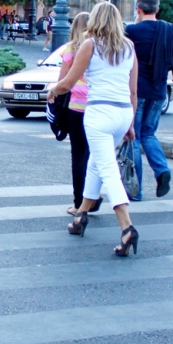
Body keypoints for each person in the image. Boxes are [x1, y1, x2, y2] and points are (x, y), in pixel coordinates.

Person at [49, 1, 139, 257]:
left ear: (95, 20)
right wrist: (131, 123)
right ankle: (81, 215)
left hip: (99, 113)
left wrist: (52, 91)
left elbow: (68, 82)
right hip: (123, 112)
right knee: (96, 164)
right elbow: (133, 90)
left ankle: (127, 227)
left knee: (107, 169)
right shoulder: (129, 46)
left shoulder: (90, 44)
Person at [125, 0, 173, 201]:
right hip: (158, 90)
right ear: (158, 9)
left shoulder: (132, 31)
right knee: (149, 134)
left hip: (137, 91)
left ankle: (135, 190)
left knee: (134, 137)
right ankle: (162, 169)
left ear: (138, 8)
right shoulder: (171, 31)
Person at [57, 11, 96, 216]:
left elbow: (63, 81)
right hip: (96, 105)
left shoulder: (71, 49)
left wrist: (53, 94)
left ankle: (79, 202)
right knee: (93, 155)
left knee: (78, 155)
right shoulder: (99, 48)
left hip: (77, 107)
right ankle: (93, 197)